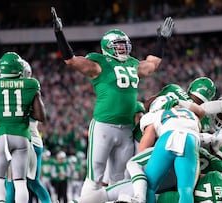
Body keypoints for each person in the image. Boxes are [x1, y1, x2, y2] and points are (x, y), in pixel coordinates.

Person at [51, 7, 175, 195]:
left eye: (125, 44)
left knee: (119, 180)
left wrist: (162, 40)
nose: (123, 48)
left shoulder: (132, 64)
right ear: (107, 47)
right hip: (104, 126)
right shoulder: (100, 63)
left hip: (125, 129)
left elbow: (152, 64)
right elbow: (71, 60)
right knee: (95, 177)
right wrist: (59, 34)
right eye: (118, 45)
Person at [0, 52, 46, 203]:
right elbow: (41, 116)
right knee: (20, 182)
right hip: (23, 137)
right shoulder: (31, 85)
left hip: (2, 135)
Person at [138, 95, 205, 203]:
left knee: (148, 187)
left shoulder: (155, 114)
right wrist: (181, 102)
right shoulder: (192, 115)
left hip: (166, 138)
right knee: (186, 190)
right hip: (189, 140)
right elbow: (201, 112)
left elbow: (144, 147)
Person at [5, 59, 51, 203]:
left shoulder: (26, 91)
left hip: (26, 140)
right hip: (29, 141)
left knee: (12, 181)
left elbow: (39, 116)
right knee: (30, 182)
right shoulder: (29, 89)